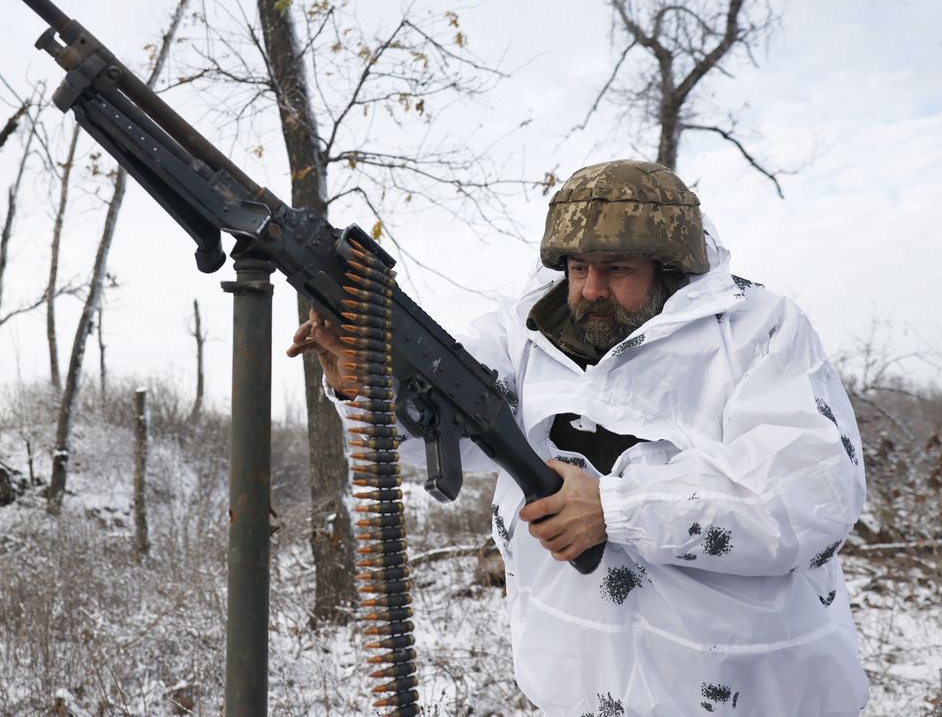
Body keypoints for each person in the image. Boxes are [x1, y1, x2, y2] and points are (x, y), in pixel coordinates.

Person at [287, 159, 868, 717]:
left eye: (617, 270)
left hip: (745, 690)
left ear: (670, 269)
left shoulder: (756, 330)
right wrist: (363, 381)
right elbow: (437, 436)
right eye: (578, 267)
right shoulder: (520, 331)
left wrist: (616, 508)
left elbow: (808, 497)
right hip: (576, 684)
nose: (590, 289)